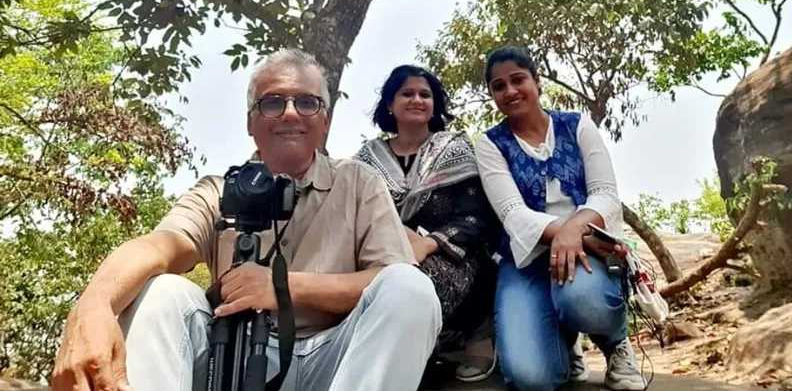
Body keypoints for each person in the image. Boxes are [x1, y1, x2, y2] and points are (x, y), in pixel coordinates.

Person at [51, 48, 442, 391]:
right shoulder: (218, 191)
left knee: (411, 287)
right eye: (272, 103)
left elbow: (389, 276)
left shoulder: (359, 182)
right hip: (229, 358)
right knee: (161, 292)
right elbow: (158, 246)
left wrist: (285, 287)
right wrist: (92, 308)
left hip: (337, 359)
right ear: (250, 122)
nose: (290, 114)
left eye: (307, 103)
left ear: (324, 120)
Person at [474, 46, 645, 391]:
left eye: (518, 80)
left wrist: (577, 231)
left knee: (585, 301)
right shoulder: (490, 144)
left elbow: (605, 193)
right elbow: (512, 213)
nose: (509, 91)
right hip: (526, 259)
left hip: (590, 253)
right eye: (498, 86)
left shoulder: (577, 125)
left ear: (537, 81)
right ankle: (565, 345)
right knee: (530, 378)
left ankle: (616, 344)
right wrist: (571, 235)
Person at [354, 65, 498, 384]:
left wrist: (426, 244)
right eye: (407, 93)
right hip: (385, 254)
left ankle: (476, 329)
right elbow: (352, 213)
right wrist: (397, 241)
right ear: (390, 104)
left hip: (453, 254)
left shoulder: (454, 150)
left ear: (435, 105)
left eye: (425, 94)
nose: (417, 99)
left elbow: (477, 217)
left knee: (417, 278)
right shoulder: (366, 159)